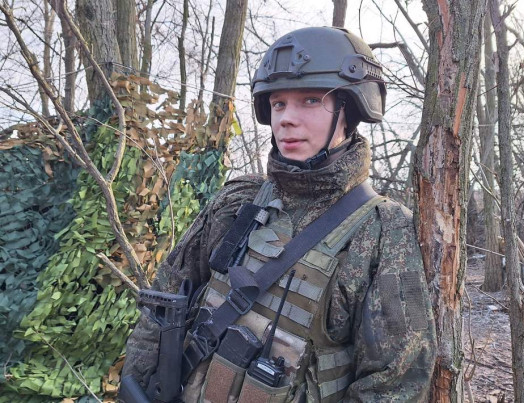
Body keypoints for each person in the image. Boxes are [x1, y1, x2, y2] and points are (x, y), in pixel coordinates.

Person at [122, 26, 436, 402]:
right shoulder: (238, 200)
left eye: (310, 100)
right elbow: (165, 300)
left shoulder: (382, 231)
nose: (286, 118)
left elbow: (395, 382)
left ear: (350, 111)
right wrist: (136, 384)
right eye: (278, 103)